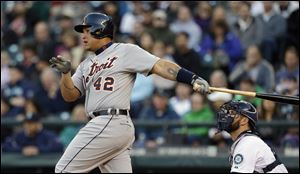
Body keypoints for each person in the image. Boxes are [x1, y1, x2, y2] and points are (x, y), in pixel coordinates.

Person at [49, 12, 210, 173]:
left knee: (63, 170)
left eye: (87, 30)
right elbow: (70, 95)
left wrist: (192, 78)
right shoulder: (85, 64)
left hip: (108, 121)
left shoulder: (124, 51)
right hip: (113, 126)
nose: (83, 36)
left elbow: (160, 65)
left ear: (100, 30)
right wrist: (65, 74)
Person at [216, 100, 288, 173]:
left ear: (244, 120)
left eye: (233, 113)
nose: (227, 116)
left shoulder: (248, 143)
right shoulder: (246, 140)